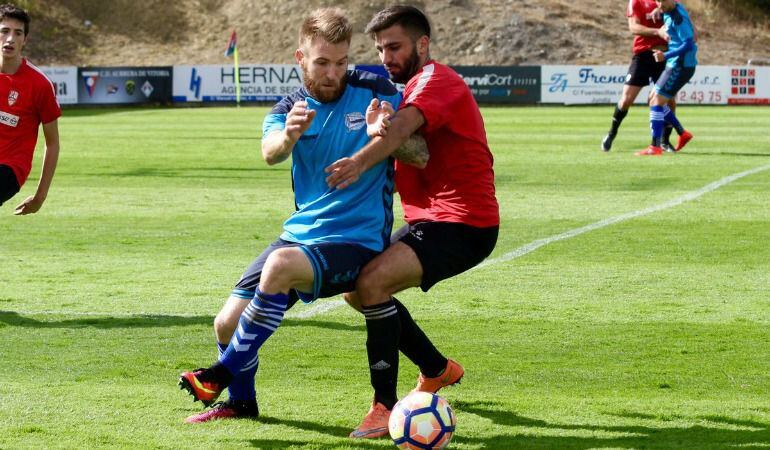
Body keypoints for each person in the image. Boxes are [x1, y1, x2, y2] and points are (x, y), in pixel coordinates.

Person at [177, 7, 427, 423]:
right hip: (302, 237)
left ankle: (219, 374)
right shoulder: (288, 108)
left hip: (357, 240)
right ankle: (241, 402)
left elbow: (418, 152)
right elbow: (270, 153)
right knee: (226, 323)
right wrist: (289, 136)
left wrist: (385, 133)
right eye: (323, 62)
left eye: (342, 62)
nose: (334, 73)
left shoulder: (375, 89)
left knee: (279, 265)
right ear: (300, 58)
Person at [324, 5, 499, 439]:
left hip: (464, 222)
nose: (386, 57)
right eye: (381, 48)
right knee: (355, 290)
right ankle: (437, 369)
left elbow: (402, 133)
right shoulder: (406, 89)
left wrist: (358, 162)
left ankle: (384, 408)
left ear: (422, 44)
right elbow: (417, 153)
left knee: (372, 285)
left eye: (395, 46)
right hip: (432, 219)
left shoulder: (438, 80)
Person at [0, 3, 61, 215]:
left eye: (17, 33)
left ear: (24, 39)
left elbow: (52, 143)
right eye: (4, 31)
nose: (10, 39)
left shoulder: (40, 84)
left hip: (10, 169)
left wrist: (39, 197)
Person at [601, 0, 676, 153]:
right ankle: (611, 133)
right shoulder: (636, 2)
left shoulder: (666, 2)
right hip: (643, 56)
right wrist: (657, 32)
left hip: (664, 56)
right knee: (627, 100)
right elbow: (633, 27)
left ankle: (665, 141)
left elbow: (678, 19)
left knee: (670, 100)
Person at [635, 0, 697, 156]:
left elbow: (689, 44)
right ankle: (683, 133)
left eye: (662, 1)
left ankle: (655, 147)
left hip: (681, 65)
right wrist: (658, 9)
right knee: (652, 99)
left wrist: (665, 55)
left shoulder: (678, 18)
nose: (660, 4)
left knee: (657, 102)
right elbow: (668, 5)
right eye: (657, 1)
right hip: (673, 64)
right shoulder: (670, 7)